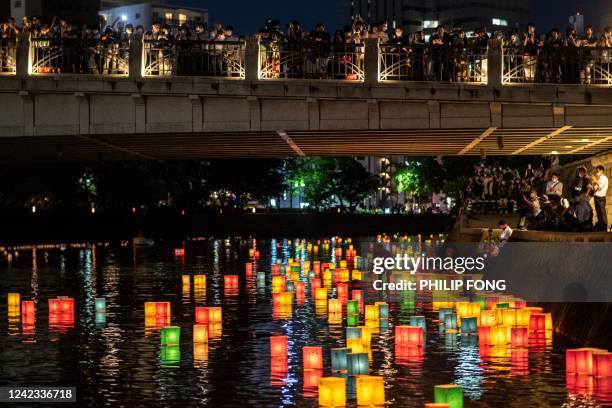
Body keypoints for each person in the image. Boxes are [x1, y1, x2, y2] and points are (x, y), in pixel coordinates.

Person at [593, 165, 608, 231]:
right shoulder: (599, 179)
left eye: (598, 171)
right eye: (596, 171)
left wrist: (594, 180)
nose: (596, 172)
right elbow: (595, 188)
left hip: (601, 198)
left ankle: (604, 227)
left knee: (602, 213)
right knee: (598, 213)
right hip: (596, 197)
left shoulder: (604, 178)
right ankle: (600, 227)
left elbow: (600, 186)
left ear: (601, 171)